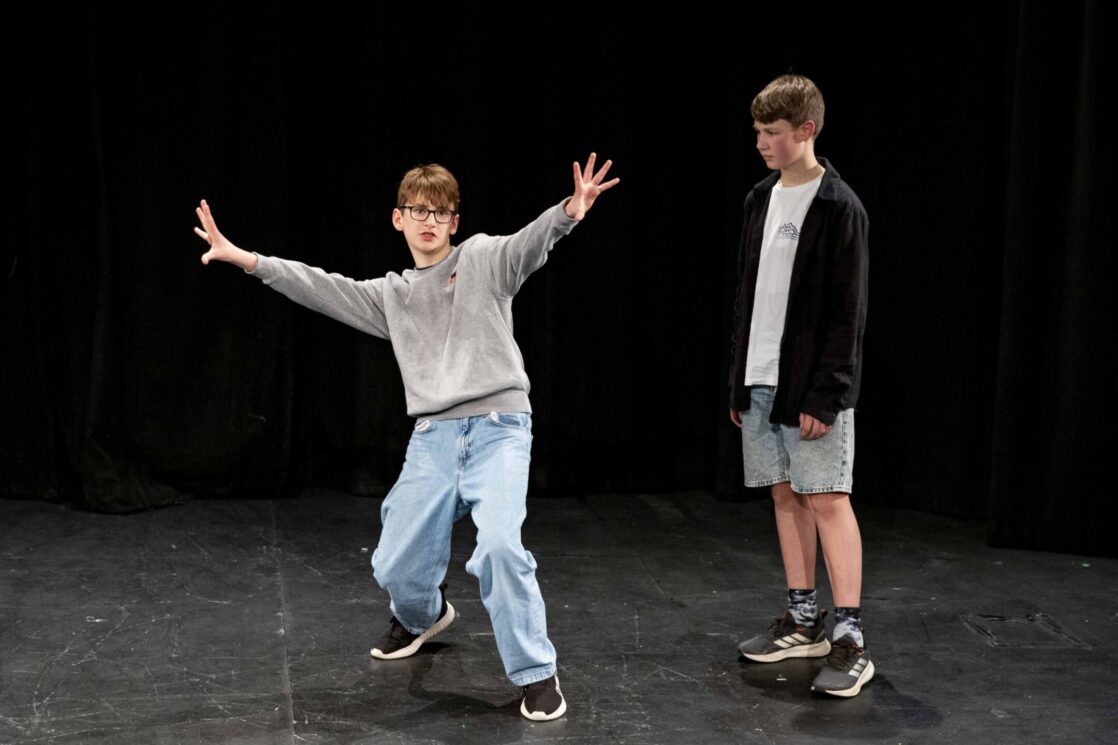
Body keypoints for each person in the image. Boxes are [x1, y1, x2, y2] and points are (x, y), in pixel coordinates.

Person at [194, 154, 619, 720]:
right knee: (393, 565)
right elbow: (319, 287)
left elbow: (529, 243)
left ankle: (537, 674)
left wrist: (569, 211)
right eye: (418, 210)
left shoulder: (483, 260)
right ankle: (424, 616)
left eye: (440, 213)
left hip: (498, 430)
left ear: (454, 222)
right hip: (434, 438)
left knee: (499, 547)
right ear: (398, 219)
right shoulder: (391, 296)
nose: (429, 221)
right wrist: (247, 259)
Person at [728, 74, 873, 697]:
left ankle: (851, 638)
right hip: (762, 379)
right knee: (785, 494)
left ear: (806, 130)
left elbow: (849, 312)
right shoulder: (759, 198)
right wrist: (740, 380)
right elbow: (748, 297)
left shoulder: (839, 205)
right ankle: (804, 619)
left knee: (827, 497)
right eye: (758, 131)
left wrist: (826, 393)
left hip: (811, 385)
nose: (761, 142)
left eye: (773, 132)